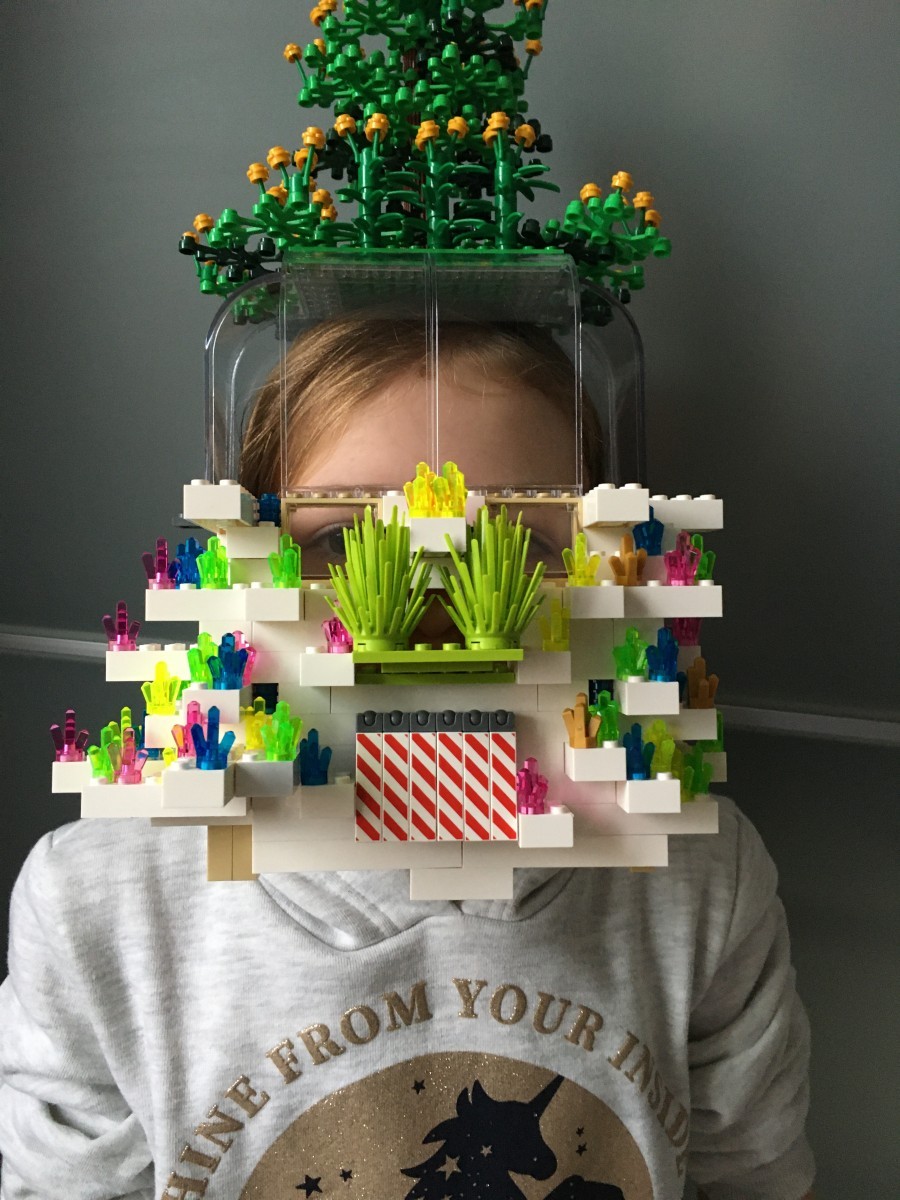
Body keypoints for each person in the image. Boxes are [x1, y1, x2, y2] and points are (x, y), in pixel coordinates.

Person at [0, 318, 815, 1200]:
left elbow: (758, 1178)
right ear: (243, 568)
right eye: (338, 543)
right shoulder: (98, 903)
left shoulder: (706, 876)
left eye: (519, 547)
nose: (437, 618)